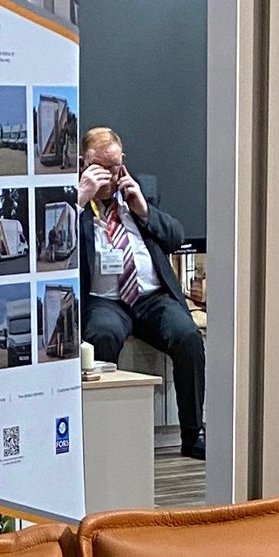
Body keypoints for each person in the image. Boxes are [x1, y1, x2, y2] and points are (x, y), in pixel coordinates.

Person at [77, 126, 204, 459]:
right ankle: (105, 440)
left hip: (151, 297)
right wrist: (79, 199)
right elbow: (51, 242)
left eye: (115, 167)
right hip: (105, 300)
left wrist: (143, 209)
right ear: (82, 163)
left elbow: (175, 237)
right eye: (100, 168)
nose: (109, 177)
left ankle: (192, 434)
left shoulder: (141, 188)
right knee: (101, 335)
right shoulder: (71, 196)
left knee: (188, 336)